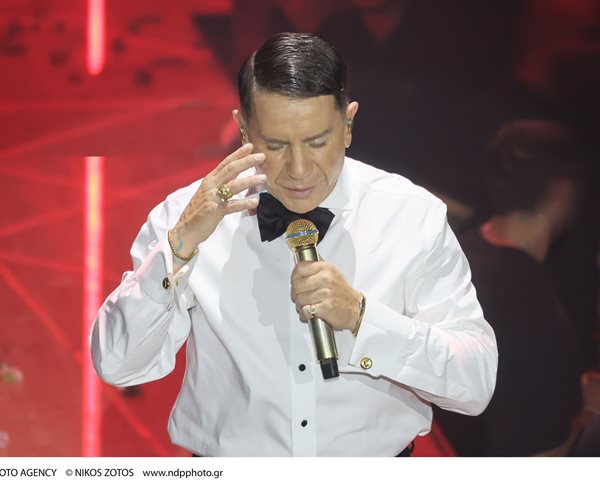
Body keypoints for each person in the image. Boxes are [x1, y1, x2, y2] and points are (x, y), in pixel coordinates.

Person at [91, 32, 497, 456]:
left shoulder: (411, 216)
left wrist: (362, 319)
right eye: (276, 145)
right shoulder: (186, 217)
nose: (299, 169)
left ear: (349, 125)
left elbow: (475, 384)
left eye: (318, 142)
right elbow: (118, 365)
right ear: (243, 129)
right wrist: (180, 247)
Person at [435, 119, 597, 456]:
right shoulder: (535, 309)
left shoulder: (452, 255)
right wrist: (589, 417)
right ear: (562, 192)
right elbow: (541, 454)